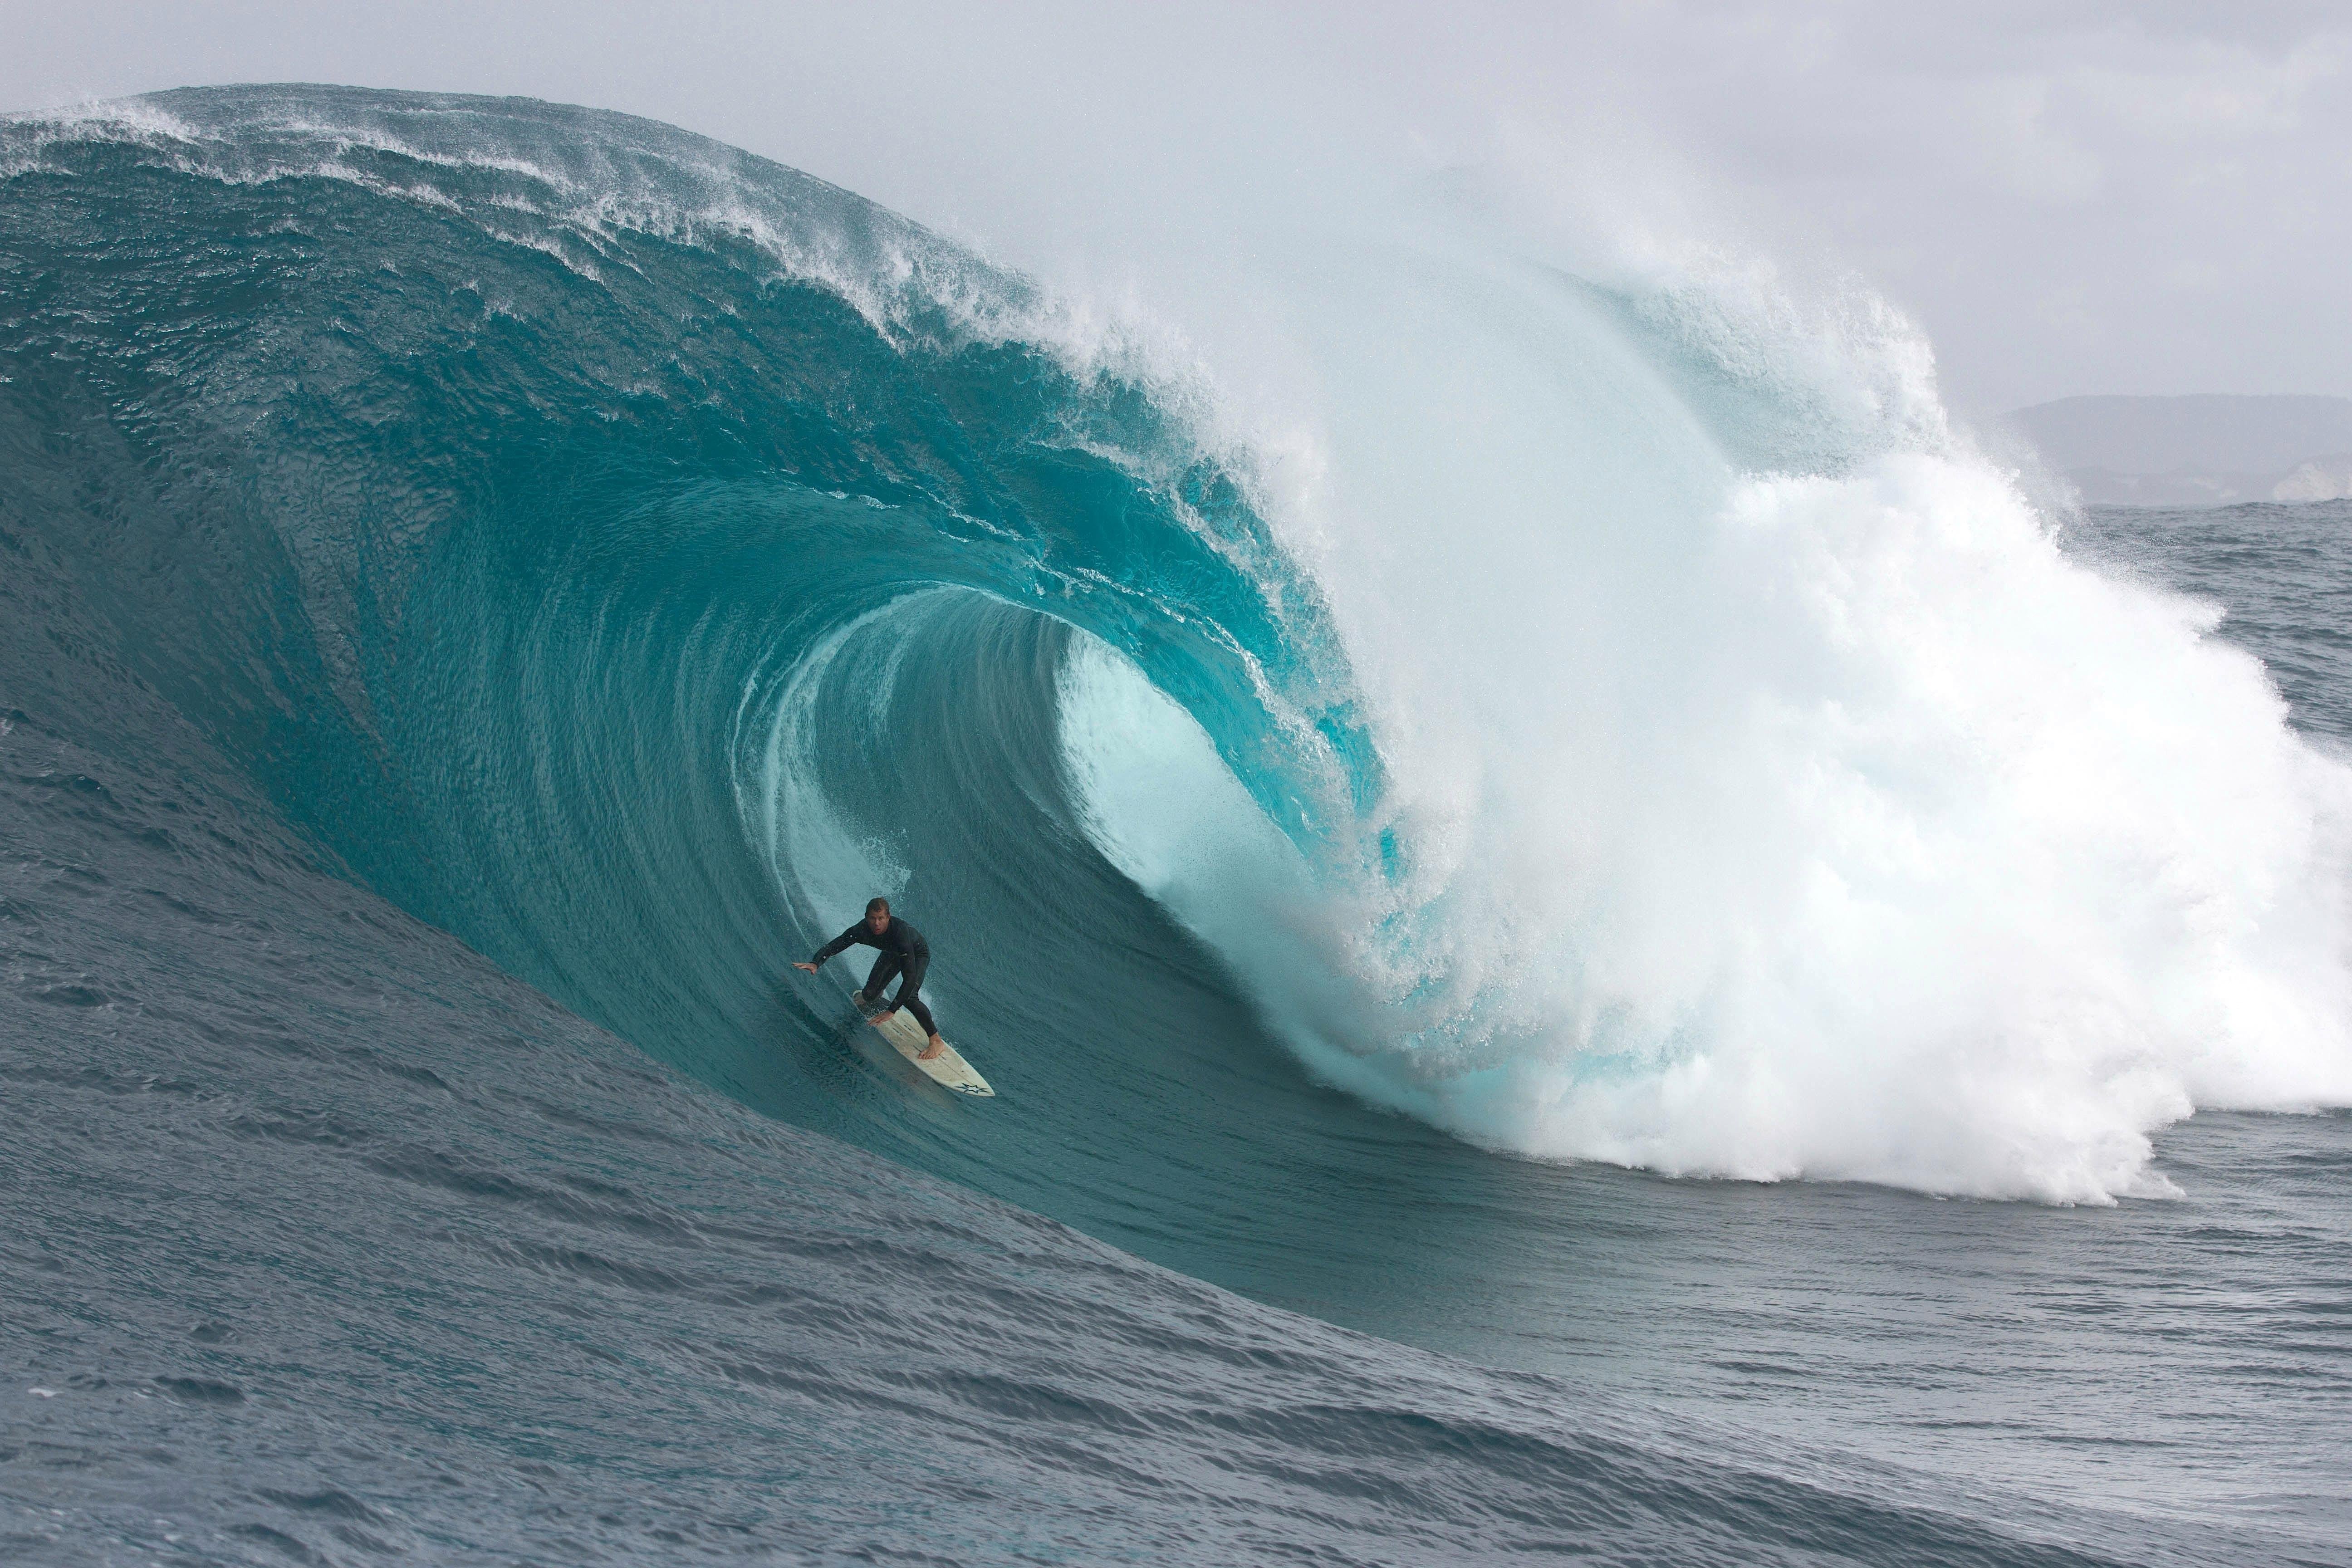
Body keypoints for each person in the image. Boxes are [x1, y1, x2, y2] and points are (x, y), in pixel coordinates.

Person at [795, 897, 947, 1060]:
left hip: (916, 953)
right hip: (892, 953)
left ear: (888, 917)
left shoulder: (900, 933)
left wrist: (892, 1010)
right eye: (873, 918)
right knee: (869, 996)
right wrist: (816, 963)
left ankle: (936, 1040)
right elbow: (836, 945)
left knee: (910, 997)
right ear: (866, 917)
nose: (877, 924)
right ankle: (877, 994)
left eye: (881, 918)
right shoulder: (861, 930)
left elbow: (909, 978)